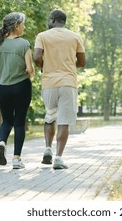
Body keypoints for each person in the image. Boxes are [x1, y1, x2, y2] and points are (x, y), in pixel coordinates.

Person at [34, 9, 86, 170]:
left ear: (52, 19)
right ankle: (58, 158)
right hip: (68, 83)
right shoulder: (75, 36)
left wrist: (44, 66)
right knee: (64, 122)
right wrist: (70, 65)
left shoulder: (42, 36)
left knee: (50, 116)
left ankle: (48, 148)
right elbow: (82, 62)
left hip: (49, 83)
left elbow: (36, 57)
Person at [0, 12, 34, 169]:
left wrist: (1, 75)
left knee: (7, 120)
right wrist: (30, 76)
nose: (24, 27)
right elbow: (30, 69)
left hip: (3, 87)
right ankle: (16, 160)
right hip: (21, 86)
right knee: (20, 122)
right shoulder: (24, 44)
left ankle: (2, 142)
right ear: (16, 26)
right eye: (23, 24)